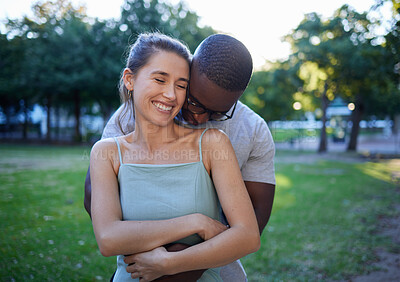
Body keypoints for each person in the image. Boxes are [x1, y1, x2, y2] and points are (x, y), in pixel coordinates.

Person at [85, 33, 276, 281]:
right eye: (194, 102)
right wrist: (193, 225)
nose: (200, 119)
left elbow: (253, 224)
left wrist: (175, 264)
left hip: (214, 267)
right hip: (140, 268)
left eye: (217, 113)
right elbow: (99, 212)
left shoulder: (245, 132)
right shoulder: (128, 118)